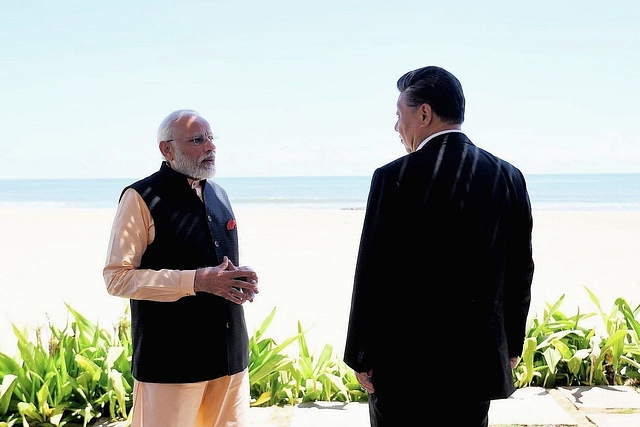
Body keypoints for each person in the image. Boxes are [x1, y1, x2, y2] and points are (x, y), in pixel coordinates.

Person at [343, 66, 534, 426]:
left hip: (404, 365)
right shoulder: (508, 176)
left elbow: (372, 273)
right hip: (477, 362)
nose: (397, 128)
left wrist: (361, 355)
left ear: (424, 113)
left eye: (399, 116)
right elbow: (520, 269)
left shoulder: (393, 177)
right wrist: (511, 344)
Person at [103, 109, 259, 427]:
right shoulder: (141, 197)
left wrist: (237, 280)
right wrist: (196, 281)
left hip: (231, 358)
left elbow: (215, 265)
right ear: (167, 149)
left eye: (211, 138)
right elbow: (117, 278)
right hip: (171, 364)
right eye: (197, 140)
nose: (210, 147)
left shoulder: (219, 194)